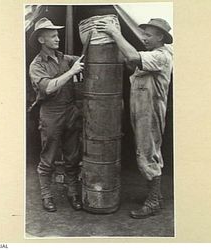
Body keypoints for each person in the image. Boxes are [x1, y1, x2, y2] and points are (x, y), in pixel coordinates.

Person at [95, 18, 173, 219]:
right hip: (140, 110)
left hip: (151, 111)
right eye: (144, 34)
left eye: (148, 35)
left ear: (161, 37)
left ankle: (154, 201)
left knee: (148, 153)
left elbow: (131, 56)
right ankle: (155, 196)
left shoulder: (162, 56)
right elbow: (130, 62)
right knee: (145, 151)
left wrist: (114, 32)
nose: (144, 38)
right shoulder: (150, 56)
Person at [28, 17, 84, 212]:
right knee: (48, 157)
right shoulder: (36, 65)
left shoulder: (64, 58)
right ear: (41, 40)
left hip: (70, 111)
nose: (57, 38)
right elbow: (49, 88)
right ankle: (47, 196)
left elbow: (82, 60)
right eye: (53, 35)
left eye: (57, 34)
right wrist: (72, 72)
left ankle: (73, 193)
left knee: (72, 156)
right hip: (51, 113)